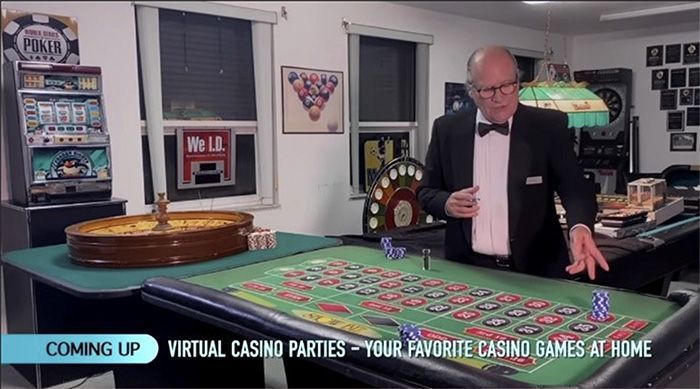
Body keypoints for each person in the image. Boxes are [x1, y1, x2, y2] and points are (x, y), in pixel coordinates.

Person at [417, 46, 609, 279]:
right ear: (471, 91)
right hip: (468, 269)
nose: (499, 97)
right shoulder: (446, 130)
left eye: (507, 85)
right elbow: (425, 192)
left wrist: (580, 227)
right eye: (487, 89)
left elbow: (575, 188)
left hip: (538, 271)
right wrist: (446, 202)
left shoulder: (548, 126)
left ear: (518, 82)